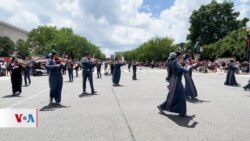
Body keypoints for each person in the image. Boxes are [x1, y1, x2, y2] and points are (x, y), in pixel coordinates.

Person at [158, 52, 190, 117]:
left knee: (179, 96)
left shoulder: (173, 61)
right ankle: (161, 106)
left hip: (176, 80)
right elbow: (181, 69)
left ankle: (182, 112)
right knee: (175, 97)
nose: (181, 56)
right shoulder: (175, 61)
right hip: (176, 81)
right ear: (176, 56)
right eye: (180, 55)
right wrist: (187, 69)